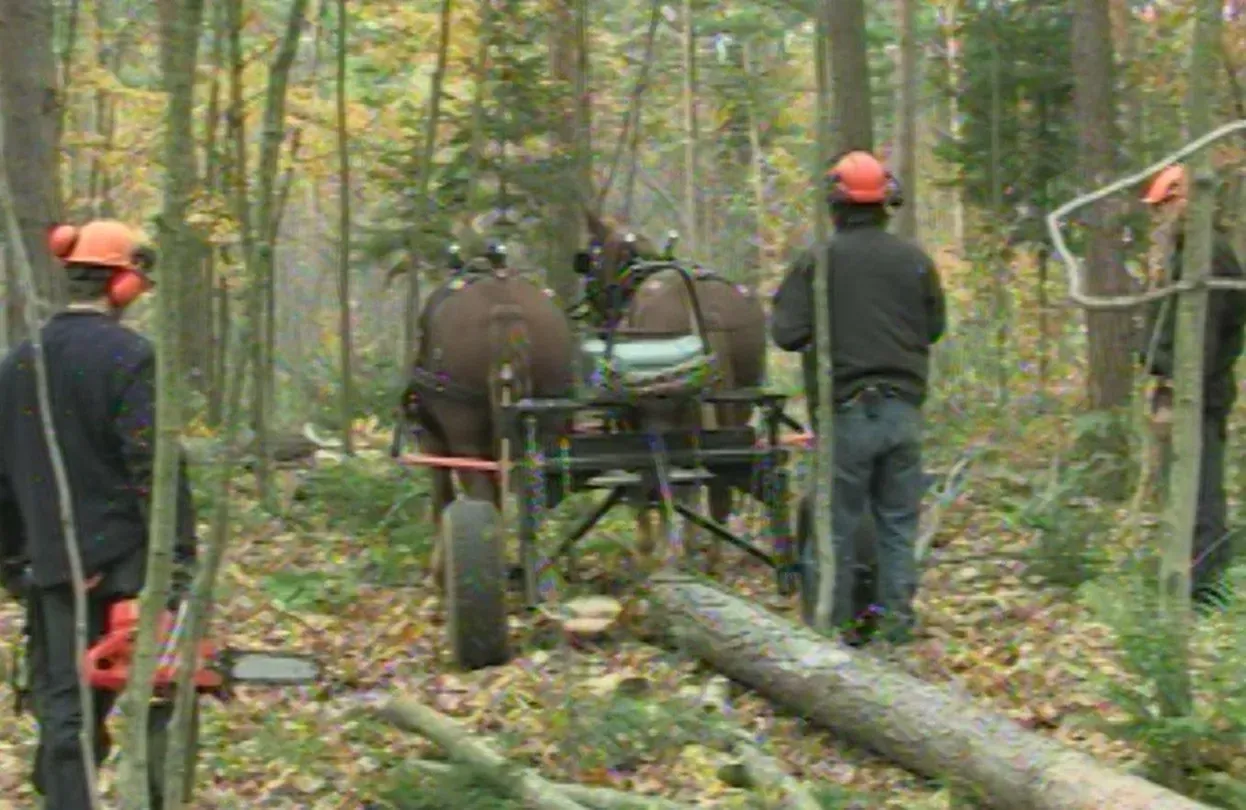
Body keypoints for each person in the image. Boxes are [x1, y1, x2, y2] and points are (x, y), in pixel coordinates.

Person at [0, 219, 198, 809]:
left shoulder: (15, 364)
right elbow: (156, 466)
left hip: (52, 566)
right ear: (123, 285)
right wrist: (180, 558)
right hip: (129, 567)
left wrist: (15, 562)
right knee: (147, 696)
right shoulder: (132, 357)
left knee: (65, 710)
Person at [770, 150, 947, 645]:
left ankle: (831, 632)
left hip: (846, 412)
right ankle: (895, 633)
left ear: (835, 204)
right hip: (903, 412)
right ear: (886, 202)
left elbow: (786, 333)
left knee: (836, 529)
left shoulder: (818, 263)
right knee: (896, 526)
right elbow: (933, 328)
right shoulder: (914, 261)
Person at [1140, 164, 1246, 610]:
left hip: (1199, 393)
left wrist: (1179, 382)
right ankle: (1192, 578)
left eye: (1166, 204)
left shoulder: (1209, 256)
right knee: (1187, 486)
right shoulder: (1186, 256)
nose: (1160, 216)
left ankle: (1208, 589)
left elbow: (1211, 333)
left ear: (1186, 200)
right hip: (1186, 389)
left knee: (1202, 490)